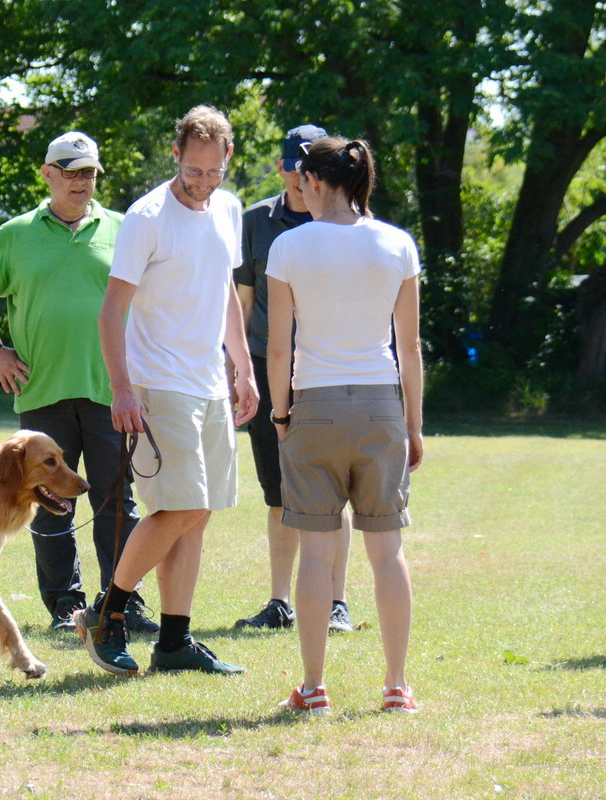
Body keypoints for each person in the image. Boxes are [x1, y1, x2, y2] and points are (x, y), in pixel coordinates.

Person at [75, 105, 258, 676]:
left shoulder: (228, 209)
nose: (202, 182)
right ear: (175, 154)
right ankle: (107, 611)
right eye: (193, 170)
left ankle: (175, 641)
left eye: (213, 171)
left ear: (228, 159)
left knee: (197, 515)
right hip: (158, 384)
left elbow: (225, 291)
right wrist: (122, 388)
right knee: (182, 505)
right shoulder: (146, 217)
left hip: (208, 383)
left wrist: (244, 367)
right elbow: (111, 312)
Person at [0, 131, 155, 635]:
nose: (80, 181)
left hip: (113, 390)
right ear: (46, 174)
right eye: (69, 171)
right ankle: (65, 608)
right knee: (47, 501)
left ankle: (120, 603)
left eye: (88, 172)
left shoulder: (124, 229)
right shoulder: (14, 235)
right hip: (42, 391)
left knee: (117, 501)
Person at [266, 136, 423, 714]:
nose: (297, 190)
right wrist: (414, 423)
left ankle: (313, 688)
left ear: (316, 181)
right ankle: (396, 686)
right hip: (382, 406)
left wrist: (281, 413)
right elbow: (408, 346)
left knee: (316, 555)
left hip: (314, 405)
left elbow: (278, 349)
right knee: (387, 552)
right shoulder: (397, 244)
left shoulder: (290, 246)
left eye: (301, 180)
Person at [232, 125, 356, 634]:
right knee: (278, 492)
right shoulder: (255, 222)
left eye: (312, 170)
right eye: (294, 168)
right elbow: (240, 307)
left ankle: (335, 604)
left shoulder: (350, 224)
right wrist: (236, 371)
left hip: (327, 371)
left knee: (334, 492)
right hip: (266, 372)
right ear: (283, 169)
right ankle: (280, 601)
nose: (303, 179)